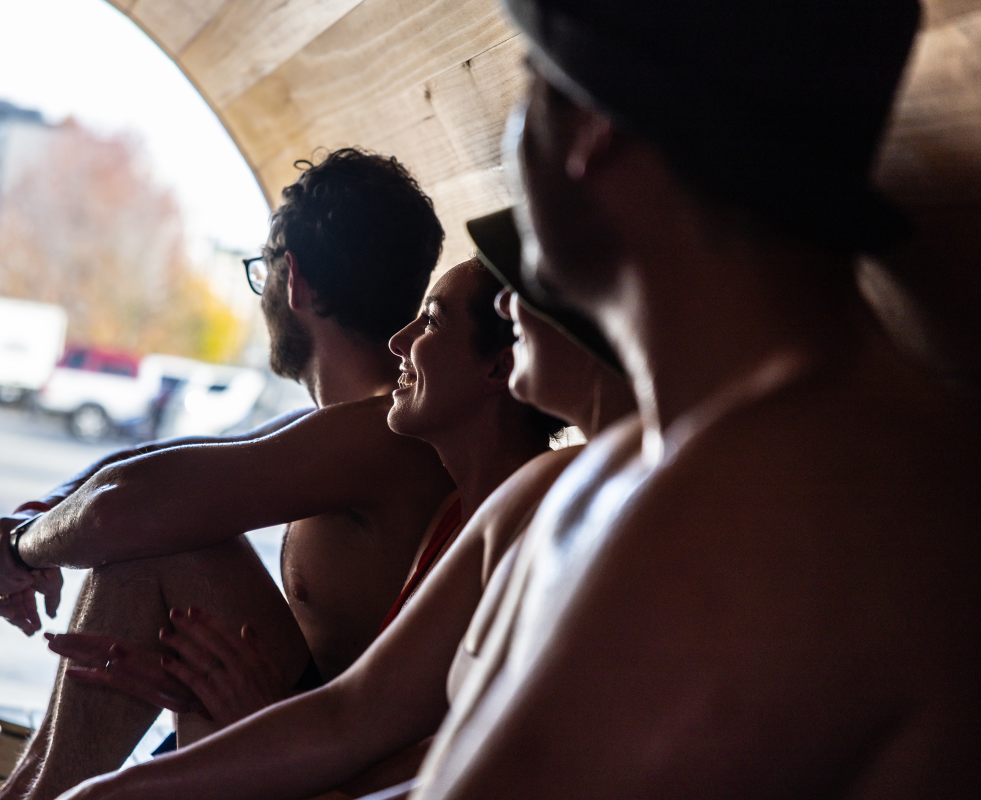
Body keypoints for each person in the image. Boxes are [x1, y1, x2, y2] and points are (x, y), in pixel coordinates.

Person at [410, 1, 981, 798]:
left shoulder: (785, 505)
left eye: (530, 83)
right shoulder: (645, 460)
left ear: (593, 126)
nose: (515, 136)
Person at [42, 228, 636, 800]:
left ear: (499, 366)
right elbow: (359, 715)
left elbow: (460, 750)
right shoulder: (473, 510)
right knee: (168, 566)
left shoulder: (557, 507)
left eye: (431, 322)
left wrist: (264, 731)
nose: (400, 342)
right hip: (337, 769)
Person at [0, 148, 459, 800]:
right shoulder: (350, 428)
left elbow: (124, 508)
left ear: (296, 283)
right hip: (320, 734)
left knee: (165, 538)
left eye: (263, 275)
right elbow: (154, 469)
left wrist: (19, 550)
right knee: (165, 532)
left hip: (360, 777)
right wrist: (40, 513)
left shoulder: (385, 434)